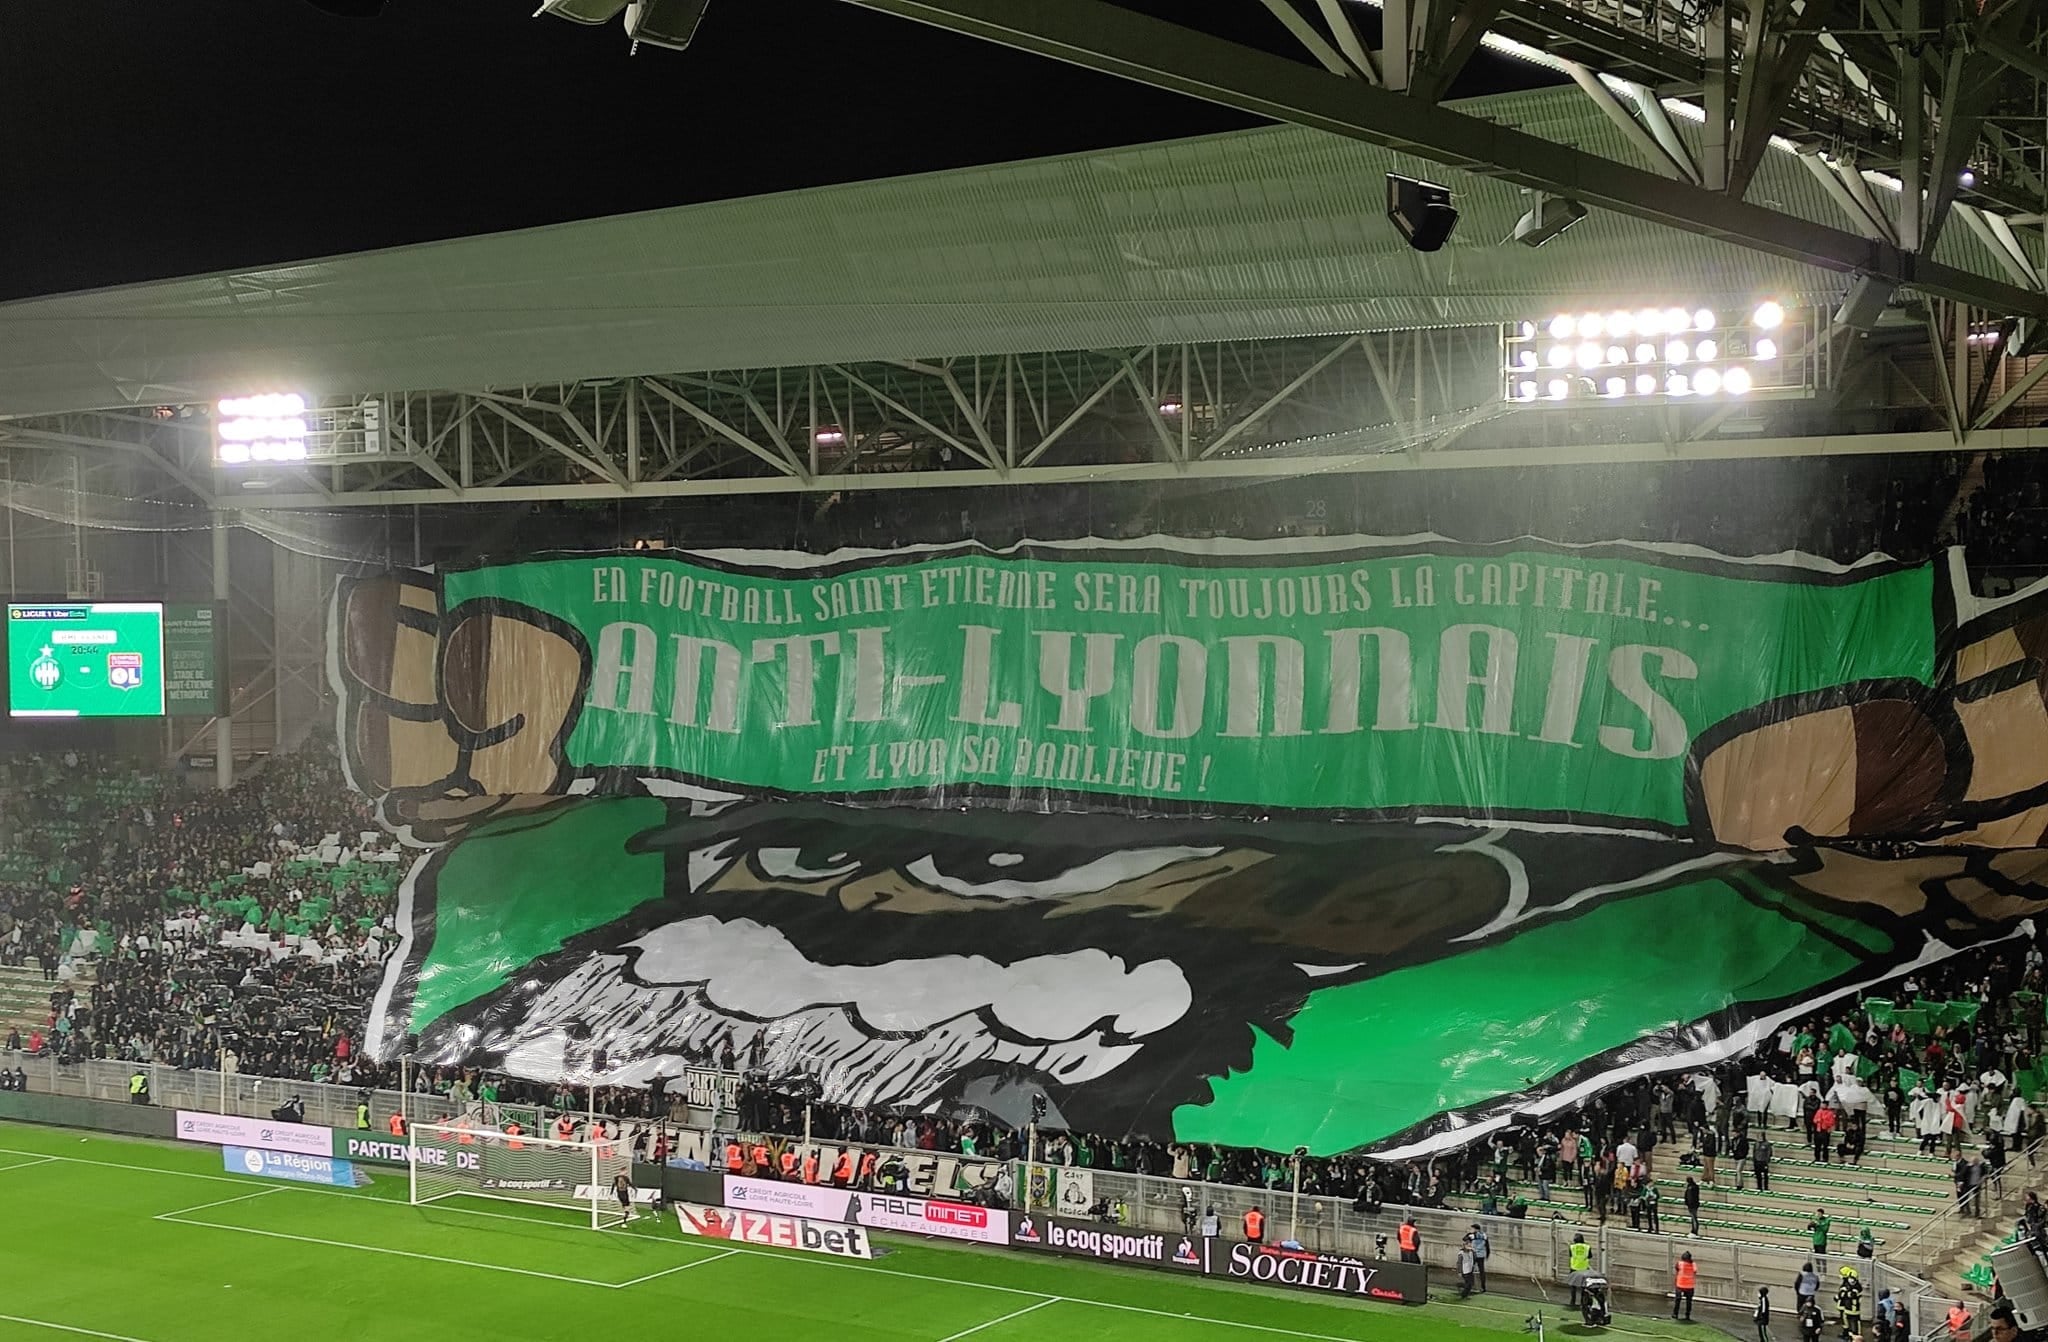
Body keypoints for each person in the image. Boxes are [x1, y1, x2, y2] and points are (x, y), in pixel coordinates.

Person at [1836, 1266, 1862, 1341]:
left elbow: (1850, 1295)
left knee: (1854, 1325)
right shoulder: (1847, 1285)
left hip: (1853, 1309)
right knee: (1846, 1322)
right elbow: (1841, 1294)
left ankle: (1855, 1337)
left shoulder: (1857, 1287)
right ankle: (1848, 1334)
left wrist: (1844, 1293)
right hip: (1846, 1308)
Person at [1567, 1233, 1593, 1308]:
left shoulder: (1572, 1247)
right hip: (1584, 1268)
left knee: (1573, 1285)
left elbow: (1570, 1255)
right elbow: (1590, 1256)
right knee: (1583, 1286)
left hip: (1574, 1268)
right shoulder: (1587, 1247)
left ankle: (1572, 1301)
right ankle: (1582, 1302)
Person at [1673, 1250, 1698, 1321]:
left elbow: (1677, 1269)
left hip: (1680, 1284)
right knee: (1689, 1301)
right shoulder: (1693, 1264)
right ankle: (1687, 1315)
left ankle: (1675, 1314)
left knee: (1678, 1300)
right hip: (1690, 1285)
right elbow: (1695, 1271)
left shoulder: (1679, 1263)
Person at [1470, 1223, 1490, 1292]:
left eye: (1472, 1228)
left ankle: (1470, 1285)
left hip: (1474, 1254)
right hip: (1481, 1255)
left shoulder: (1472, 1235)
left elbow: (1465, 1239)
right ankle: (1483, 1287)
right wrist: (1487, 1254)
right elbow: (1487, 1246)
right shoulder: (1484, 1235)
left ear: (1476, 1229)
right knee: (1482, 1271)